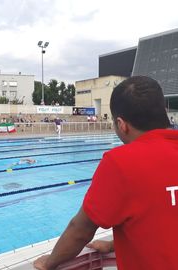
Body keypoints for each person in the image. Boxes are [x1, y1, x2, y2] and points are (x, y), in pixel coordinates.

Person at [34, 76, 178, 270]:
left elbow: (81, 231)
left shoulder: (121, 162)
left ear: (121, 124)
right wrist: (113, 245)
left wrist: (49, 263)